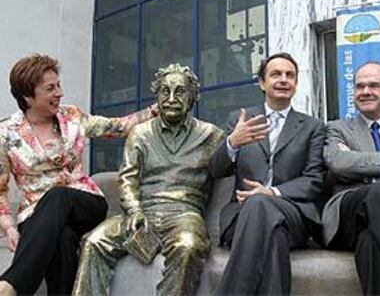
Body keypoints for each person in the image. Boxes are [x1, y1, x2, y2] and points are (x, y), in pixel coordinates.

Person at [0, 54, 156, 296]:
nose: (59, 93)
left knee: (58, 196)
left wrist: (154, 110)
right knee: (63, 238)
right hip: (35, 213)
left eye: (59, 85)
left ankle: (11, 285)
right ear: (28, 97)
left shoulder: (71, 116)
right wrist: (10, 228)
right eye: (50, 88)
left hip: (84, 203)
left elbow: (117, 126)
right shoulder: (6, 133)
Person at [71, 63, 224, 296]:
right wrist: (134, 210)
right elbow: (127, 178)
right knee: (94, 241)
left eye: (180, 91)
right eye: (165, 91)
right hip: (142, 212)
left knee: (188, 246)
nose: (171, 98)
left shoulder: (211, 135)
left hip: (184, 214)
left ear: (193, 98)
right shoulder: (140, 133)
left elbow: (230, 163)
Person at [210, 52, 326, 295]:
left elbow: (314, 180)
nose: (284, 79)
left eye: (290, 75)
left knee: (261, 202)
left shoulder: (313, 127)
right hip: (241, 215)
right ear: (262, 83)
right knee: (273, 238)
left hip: (293, 213)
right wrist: (232, 143)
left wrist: (271, 192)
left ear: (295, 84)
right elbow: (215, 169)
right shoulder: (240, 120)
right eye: (276, 74)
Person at [322, 61, 380, 295]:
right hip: (347, 212)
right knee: (378, 194)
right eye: (359, 86)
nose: (365, 92)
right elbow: (338, 163)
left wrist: (362, 171)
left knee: (372, 240)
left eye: (373, 85)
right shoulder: (337, 128)